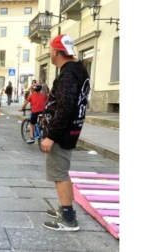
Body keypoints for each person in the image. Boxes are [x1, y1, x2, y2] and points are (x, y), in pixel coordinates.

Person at [41, 34, 90, 231]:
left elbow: (65, 106)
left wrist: (51, 136)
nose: (49, 54)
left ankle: (68, 218)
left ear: (55, 51)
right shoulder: (79, 69)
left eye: (50, 51)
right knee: (62, 172)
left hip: (61, 133)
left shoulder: (68, 73)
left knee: (59, 173)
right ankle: (65, 209)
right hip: (71, 129)